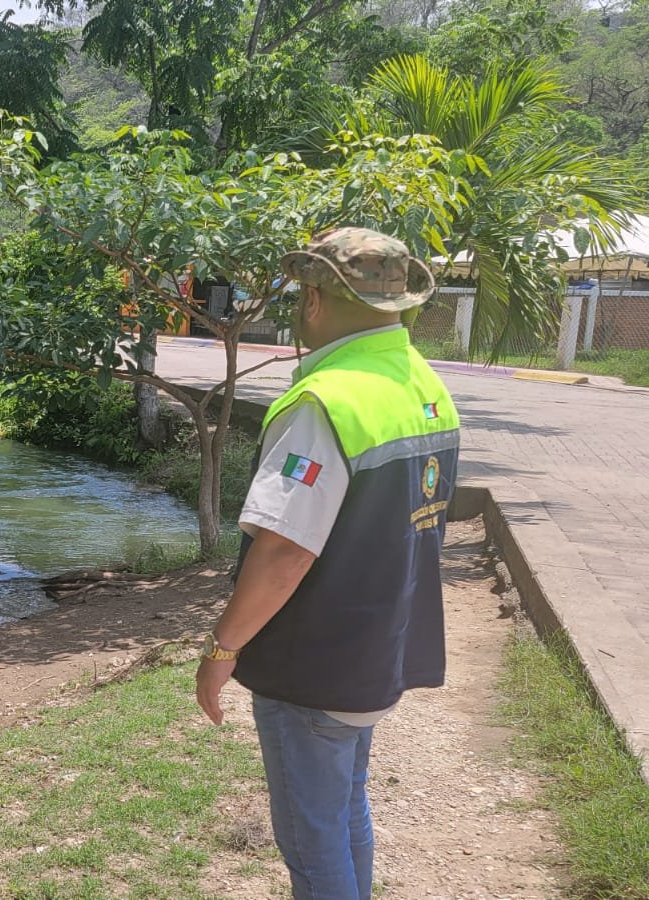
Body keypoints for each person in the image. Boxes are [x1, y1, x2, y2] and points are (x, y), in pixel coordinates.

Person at [195, 227, 460, 900]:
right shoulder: (423, 383)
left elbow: (284, 552)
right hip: (379, 650)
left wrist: (222, 646)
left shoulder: (323, 403)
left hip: (314, 666)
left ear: (314, 299)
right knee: (347, 812)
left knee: (313, 844)